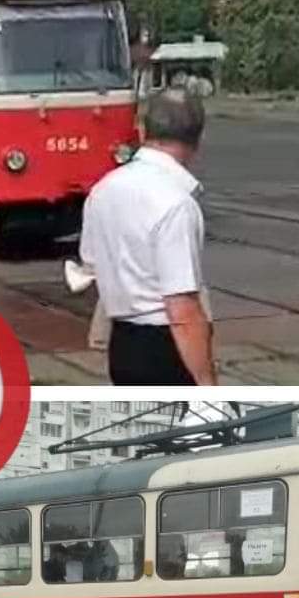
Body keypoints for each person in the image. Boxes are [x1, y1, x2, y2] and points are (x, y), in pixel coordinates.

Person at [79, 89, 216, 386]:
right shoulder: (176, 204)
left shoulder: (102, 190)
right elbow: (182, 309)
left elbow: (91, 265)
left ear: (141, 130)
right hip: (166, 351)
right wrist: (208, 386)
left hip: (123, 347)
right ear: (197, 141)